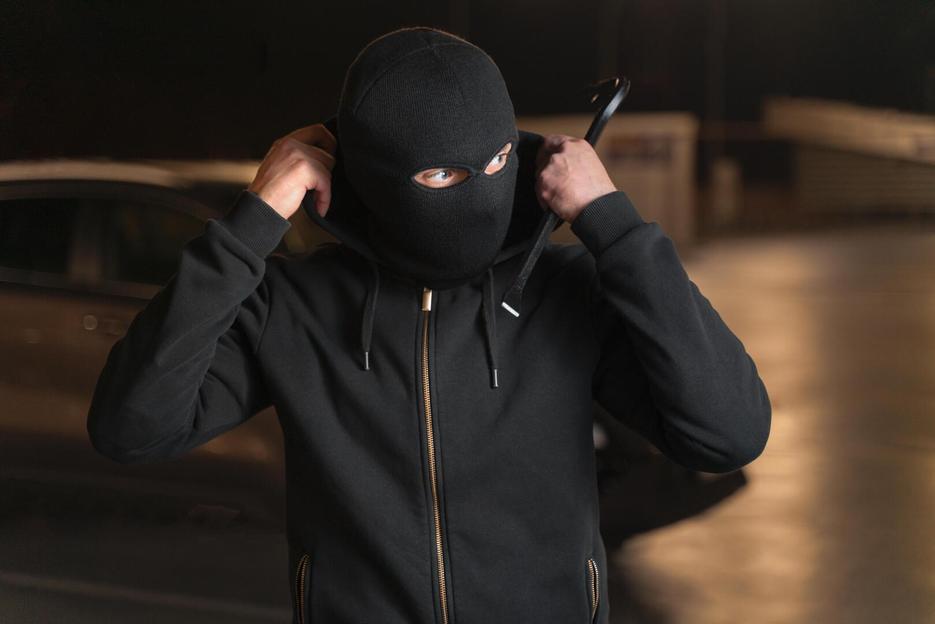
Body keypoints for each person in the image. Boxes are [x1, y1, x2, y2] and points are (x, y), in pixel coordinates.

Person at [87, 26, 771, 624]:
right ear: (373, 176)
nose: (480, 188)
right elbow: (132, 430)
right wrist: (250, 226)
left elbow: (728, 433)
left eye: (497, 161)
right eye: (442, 174)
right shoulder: (290, 304)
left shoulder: (568, 290)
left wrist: (613, 225)